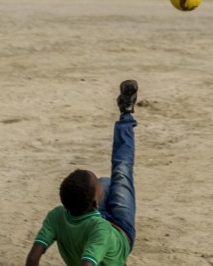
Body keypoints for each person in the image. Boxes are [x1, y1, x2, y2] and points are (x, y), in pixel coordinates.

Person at [25, 80, 139, 266]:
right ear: (95, 203)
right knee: (122, 168)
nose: (98, 186)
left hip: (94, 222)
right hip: (120, 230)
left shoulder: (56, 215)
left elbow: (32, 258)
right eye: (96, 189)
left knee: (106, 182)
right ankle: (125, 114)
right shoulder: (101, 229)